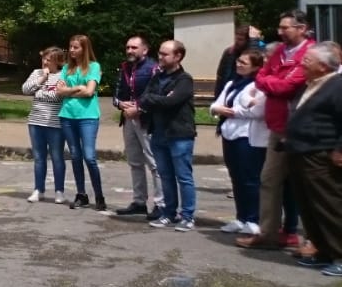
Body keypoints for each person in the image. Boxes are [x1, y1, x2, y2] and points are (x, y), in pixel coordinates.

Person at [240, 10, 313, 252]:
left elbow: (288, 86)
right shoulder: (280, 52)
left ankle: (315, 240)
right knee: (269, 181)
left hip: (302, 130)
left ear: (301, 28)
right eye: (280, 27)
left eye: (285, 28)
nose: (280, 32)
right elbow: (261, 76)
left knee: (308, 184)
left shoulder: (310, 53)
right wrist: (273, 84)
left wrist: (271, 84)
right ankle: (268, 233)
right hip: (277, 127)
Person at [284, 41, 342, 276]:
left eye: (307, 61)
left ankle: (339, 254)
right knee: (308, 206)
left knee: (329, 204)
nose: (302, 64)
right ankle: (323, 251)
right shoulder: (313, 84)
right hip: (301, 152)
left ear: (323, 66)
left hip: (321, 154)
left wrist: (340, 149)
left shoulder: (337, 86)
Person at [140, 39, 198, 231]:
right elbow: (144, 98)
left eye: (165, 54)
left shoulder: (184, 80)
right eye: (160, 53)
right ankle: (168, 213)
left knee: (183, 176)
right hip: (158, 133)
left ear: (178, 56)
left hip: (179, 134)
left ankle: (188, 216)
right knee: (165, 176)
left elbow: (171, 102)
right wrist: (158, 99)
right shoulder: (157, 77)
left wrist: (156, 99)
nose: (160, 57)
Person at [209, 48, 266, 235]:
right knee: (236, 178)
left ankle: (253, 219)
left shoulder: (258, 85)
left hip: (246, 136)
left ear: (256, 67)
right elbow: (215, 106)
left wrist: (230, 111)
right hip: (229, 134)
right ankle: (241, 217)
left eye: (244, 63)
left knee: (250, 178)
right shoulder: (232, 83)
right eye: (238, 61)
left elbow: (257, 112)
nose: (238, 64)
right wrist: (226, 110)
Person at [112, 36, 162, 219]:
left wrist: (139, 108)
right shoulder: (125, 67)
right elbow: (116, 93)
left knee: (154, 163)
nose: (130, 51)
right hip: (128, 120)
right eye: (128, 47)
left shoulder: (153, 68)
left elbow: (155, 93)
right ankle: (139, 201)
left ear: (145, 50)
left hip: (147, 120)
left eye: (134, 47)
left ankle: (160, 203)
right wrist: (121, 104)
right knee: (134, 161)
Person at [57, 34, 105, 211]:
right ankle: (81, 194)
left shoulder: (93, 67)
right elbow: (58, 92)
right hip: (67, 116)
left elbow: (90, 92)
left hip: (88, 117)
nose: (71, 50)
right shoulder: (67, 69)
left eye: (75, 47)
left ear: (84, 49)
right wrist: (77, 88)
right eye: (70, 47)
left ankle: (99, 195)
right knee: (75, 156)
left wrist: (68, 91)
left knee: (89, 157)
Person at [22, 46, 68, 204]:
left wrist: (40, 92)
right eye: (44, 58)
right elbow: (26, 89)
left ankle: (59, 191)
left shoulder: (64, 75)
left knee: (57, 157)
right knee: (39, 158)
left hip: (55, 123)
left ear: (58, 61)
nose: (45, 62)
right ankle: (38, 189)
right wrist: (42, 79)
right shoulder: (37, 73)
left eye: (49, 59)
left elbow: (58, 97)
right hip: (35, 121)